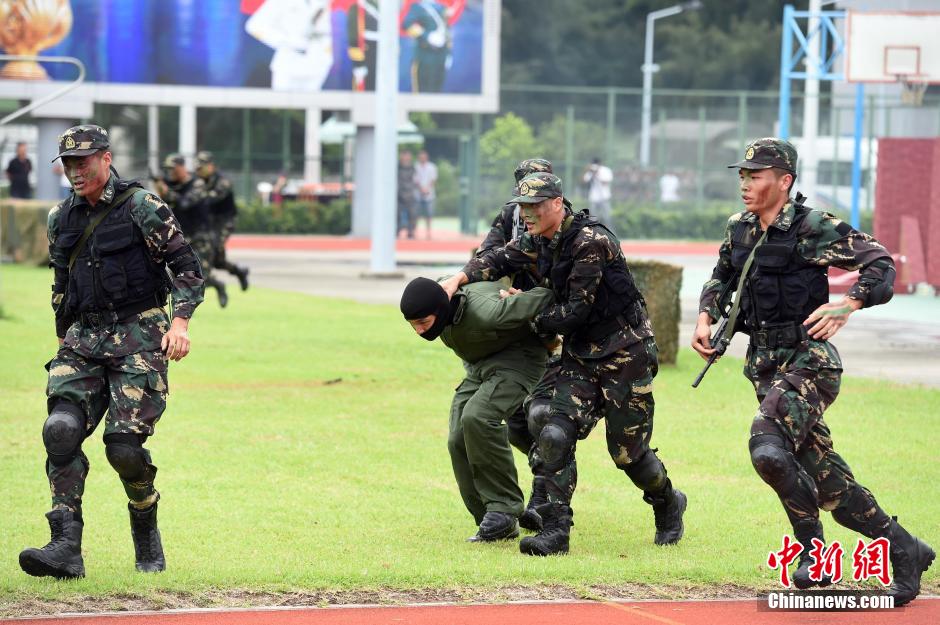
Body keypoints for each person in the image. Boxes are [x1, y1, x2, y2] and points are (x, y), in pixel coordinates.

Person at [691, 137, 934, 606]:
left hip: (811, 361)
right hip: (764, 364)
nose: (745, 183)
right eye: (742, 175)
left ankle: (810, 549)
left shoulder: (813, 225)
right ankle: (905, 548)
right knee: (822, 476)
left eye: (755, 175)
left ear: (784, 181)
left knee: (768, 447)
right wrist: (706, 316)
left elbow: (879, 263)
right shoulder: (739, 228)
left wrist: (849, 303)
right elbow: (722, 276)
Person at [440, 172, 687, 556]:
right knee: (551, 430)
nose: (527, 215)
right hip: (580, 355)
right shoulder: (539, 239)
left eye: (535, 206)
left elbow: (575, 310)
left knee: (629, 455)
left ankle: (668, 502)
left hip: (625, 353)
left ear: (558, 203)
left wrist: (521, 310)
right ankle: (555, 530)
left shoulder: (591, 241)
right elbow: (498, 257)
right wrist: (458, 278)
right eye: (522, 207)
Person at [18, 125, 205, 579]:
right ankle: (65, 546)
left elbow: (186, 266)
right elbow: (61, 284)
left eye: (82, 162)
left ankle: (144, 518)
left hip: (139, 336)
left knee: (122, 448)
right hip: (83, 340)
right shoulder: (60, 217)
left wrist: (179, 322)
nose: (75, 172)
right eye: (67, 165)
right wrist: (63, 336)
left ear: (105, 158)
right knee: (60, 429)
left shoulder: (142, 206)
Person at [400, 277, 555, 542]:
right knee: (457, 436)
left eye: (423, 323)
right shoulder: (440, 305)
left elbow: (547, 294)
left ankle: (504, 509)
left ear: (440, 310)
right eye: (413, 325)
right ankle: (490, 516)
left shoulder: (487, 311)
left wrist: (521, 294)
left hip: (520, 361)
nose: (419, 332)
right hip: (480, 366)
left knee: (479, 418)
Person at [476, 157, 562, 533]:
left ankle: (544, 493)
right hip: (517, 321)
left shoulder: (566, 224)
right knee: (513, 422)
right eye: (523, 184)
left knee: (542, 414)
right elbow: (487, 256)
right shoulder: (509, 217)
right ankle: (544, 467)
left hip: (552, 324)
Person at [157, 154, 229, 308]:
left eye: (173, 169)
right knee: (178, 272)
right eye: (168, 170)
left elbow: (184, 203)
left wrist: (165, 190)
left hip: (201, 235)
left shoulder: (197, 184)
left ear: (182, 168)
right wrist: (161, 189)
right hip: (183, 235)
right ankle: (181, 304)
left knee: (201, 275)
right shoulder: (172, 185)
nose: (171, 173)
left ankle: (217, 285)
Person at [194, 151, 249, 291]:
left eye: (202, 167)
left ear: (211, 166)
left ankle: (206, 280)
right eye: (198, 168)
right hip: (210, 222)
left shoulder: (222, 181)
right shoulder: (199, 181)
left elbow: (209, 199)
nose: (199, 170)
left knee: (212, 244)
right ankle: (239, 271)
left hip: (225, 221)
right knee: (219, 261)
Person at [402, 0, 451, 93]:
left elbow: (447, 31)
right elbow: (406, 25)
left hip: (441, 55)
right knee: (422, 89)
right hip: (424, 54)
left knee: (437, 89)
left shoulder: (442, 7)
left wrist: (448, 53)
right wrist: (427, 36)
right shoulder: (418, 7)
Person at [413, 150, 438, 239]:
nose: (422, 158)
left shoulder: (432, 167)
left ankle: (428, 232)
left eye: (424, 157)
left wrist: (427, 189)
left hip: (429, 194)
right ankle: (415, 232)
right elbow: (415, 180)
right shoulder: (415, 167)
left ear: (427, 157)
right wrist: (421, 189)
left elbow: (433, 179)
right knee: (416, 214)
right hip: (418, 194)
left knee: (429, 214)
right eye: (421, 157)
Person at [582, 157, 612, 222]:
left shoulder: (605, 170)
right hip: (593, 197)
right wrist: (588, 171)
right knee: (593, 218)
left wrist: (597, 173)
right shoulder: (591, 171)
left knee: (607, 217)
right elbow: (584, 180)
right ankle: (594, 231)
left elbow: (605, 182)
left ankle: (608, 231)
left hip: (604, 197)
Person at [397, 151, 417, 239]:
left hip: (410, 193)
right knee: (397, 214)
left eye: (407, 156)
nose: (406, 158)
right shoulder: (397, 167)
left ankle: (411, 232)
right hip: (399, 193)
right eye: (404, 156)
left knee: (412, 214)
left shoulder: (413, 167)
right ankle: (397, 231)